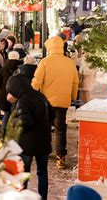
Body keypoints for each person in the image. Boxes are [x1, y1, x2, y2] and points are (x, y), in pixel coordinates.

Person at [32, 36, 79, 169]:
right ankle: (60, 157)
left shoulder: (45, 62)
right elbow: (75, 82)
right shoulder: (69, 62)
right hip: (63, 101)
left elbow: (37, 81)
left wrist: (32, 94)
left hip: (46, 102)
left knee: (45, 128)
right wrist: (73, 96)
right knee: (60, 128)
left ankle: (44, 152)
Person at [7, 74, 55, 200]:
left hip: (27, 144)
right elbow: (52, 114)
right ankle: (42, 197)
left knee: (24, 174)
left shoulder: (23, 100)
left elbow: (25, 122)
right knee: (42, 172)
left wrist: (13, 121)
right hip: (43, 141)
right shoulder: (40, 95)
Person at [0, 51, 21, 131]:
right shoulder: (20, 68)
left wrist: (4, 90)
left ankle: (4, 131)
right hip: (16, 94)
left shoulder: (3, 69)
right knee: (15, 114)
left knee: (6, 114)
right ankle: (15, 133)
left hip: (5, 94)